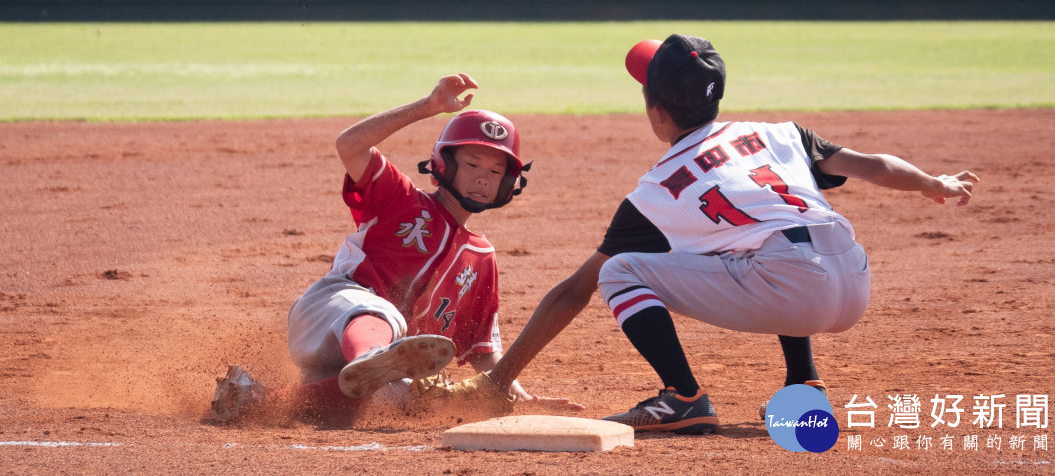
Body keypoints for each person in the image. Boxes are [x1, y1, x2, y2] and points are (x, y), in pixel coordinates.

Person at [480, 34, 979, 434]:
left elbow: (574, 292)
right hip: (854, 276)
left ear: (657, 113)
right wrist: (935, 183)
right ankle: (804, 386)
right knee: (763, 231)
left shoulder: (655, 192)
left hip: (790, 286)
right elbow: (874, 166)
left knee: (620, 271)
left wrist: (500, 378)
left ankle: (683, 397)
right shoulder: (780, 133)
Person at [212, 73, 544, 424]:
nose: (482, 177)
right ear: (444, 165)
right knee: (385, 319)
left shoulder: (482, 259)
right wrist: (428, 107)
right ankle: (372, 357)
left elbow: (485, 351)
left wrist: (514, 391)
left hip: (359, 361)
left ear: (507, 183)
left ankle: (256, 401)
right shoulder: (400, 199)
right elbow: (349, 146)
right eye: (473, 164)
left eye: (495, 171)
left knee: (403, 395)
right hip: (331, 311)